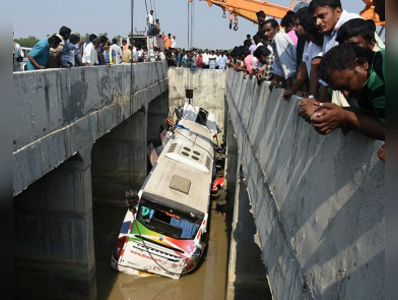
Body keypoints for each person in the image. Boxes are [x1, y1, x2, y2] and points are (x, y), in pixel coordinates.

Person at [310, 44, 385, 142]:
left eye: (346, 85)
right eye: (340, 90)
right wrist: (333, 114)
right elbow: (367, 115)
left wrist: (345, 116)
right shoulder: (365, 82)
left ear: (362, 64)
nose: (345, 93)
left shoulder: (380, 79)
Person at [283, 7, 323, 99]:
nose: (294, 29)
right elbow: (303, 67)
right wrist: (293, 90)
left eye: (297, 25)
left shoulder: (317, 42)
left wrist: (312, 97)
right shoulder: (306, 42)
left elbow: (315, 68)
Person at [262, 19, 297, 90]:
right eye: (264, 31)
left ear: (277, 29)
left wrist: (289, 88)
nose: (265, 34)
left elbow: (287, 64)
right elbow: (279, 64)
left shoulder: (279, 38)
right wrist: (277, 80)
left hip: (293, 80)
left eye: (268, 30)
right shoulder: (275, 40)